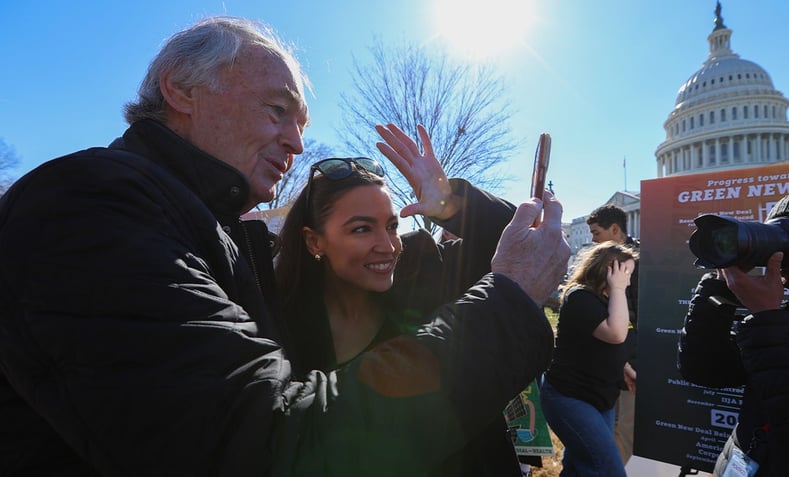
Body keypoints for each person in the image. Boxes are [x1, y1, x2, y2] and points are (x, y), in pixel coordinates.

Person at [0, 16, 571, 477]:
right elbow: (268, 441)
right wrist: (509, 301)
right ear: (179, 88)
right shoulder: (91, 204)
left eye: (393, 225)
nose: (297, 143)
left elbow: (512, 256)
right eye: (278, 111)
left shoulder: (219, 237)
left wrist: (453, 203)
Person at [274, 122, 524, 475]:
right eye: (362, 229)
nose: (389, 245)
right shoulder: (278, 321)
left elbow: (522, 240)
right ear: (315, 241)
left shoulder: (427, 270)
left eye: (391, 226)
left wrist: (452, 205)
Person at [678, 185, 789, 476]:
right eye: (779, 229)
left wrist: (768, 318)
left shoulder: (778, 319)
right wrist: (720, 289)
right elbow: (707, 370)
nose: (785, 244)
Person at [540, 241, 639, 477]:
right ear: (608, 270)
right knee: (608, 471)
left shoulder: (604, 299)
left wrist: (622, 366)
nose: (628, 280)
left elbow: (596, 343)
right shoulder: (580, 296)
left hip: (597, 397)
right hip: (571, 397)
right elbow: (615, 333)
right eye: (626, 273)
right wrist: (617, 289)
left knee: (578, 468)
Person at [586, 204, 639, 463]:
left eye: (596, 233)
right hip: (606, 363)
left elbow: (637, 318)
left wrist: (625, 359)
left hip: (628, 364)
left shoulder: (637, 263)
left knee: (623, 430)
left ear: (615, 229)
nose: (592, 240)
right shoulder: (606, 262)